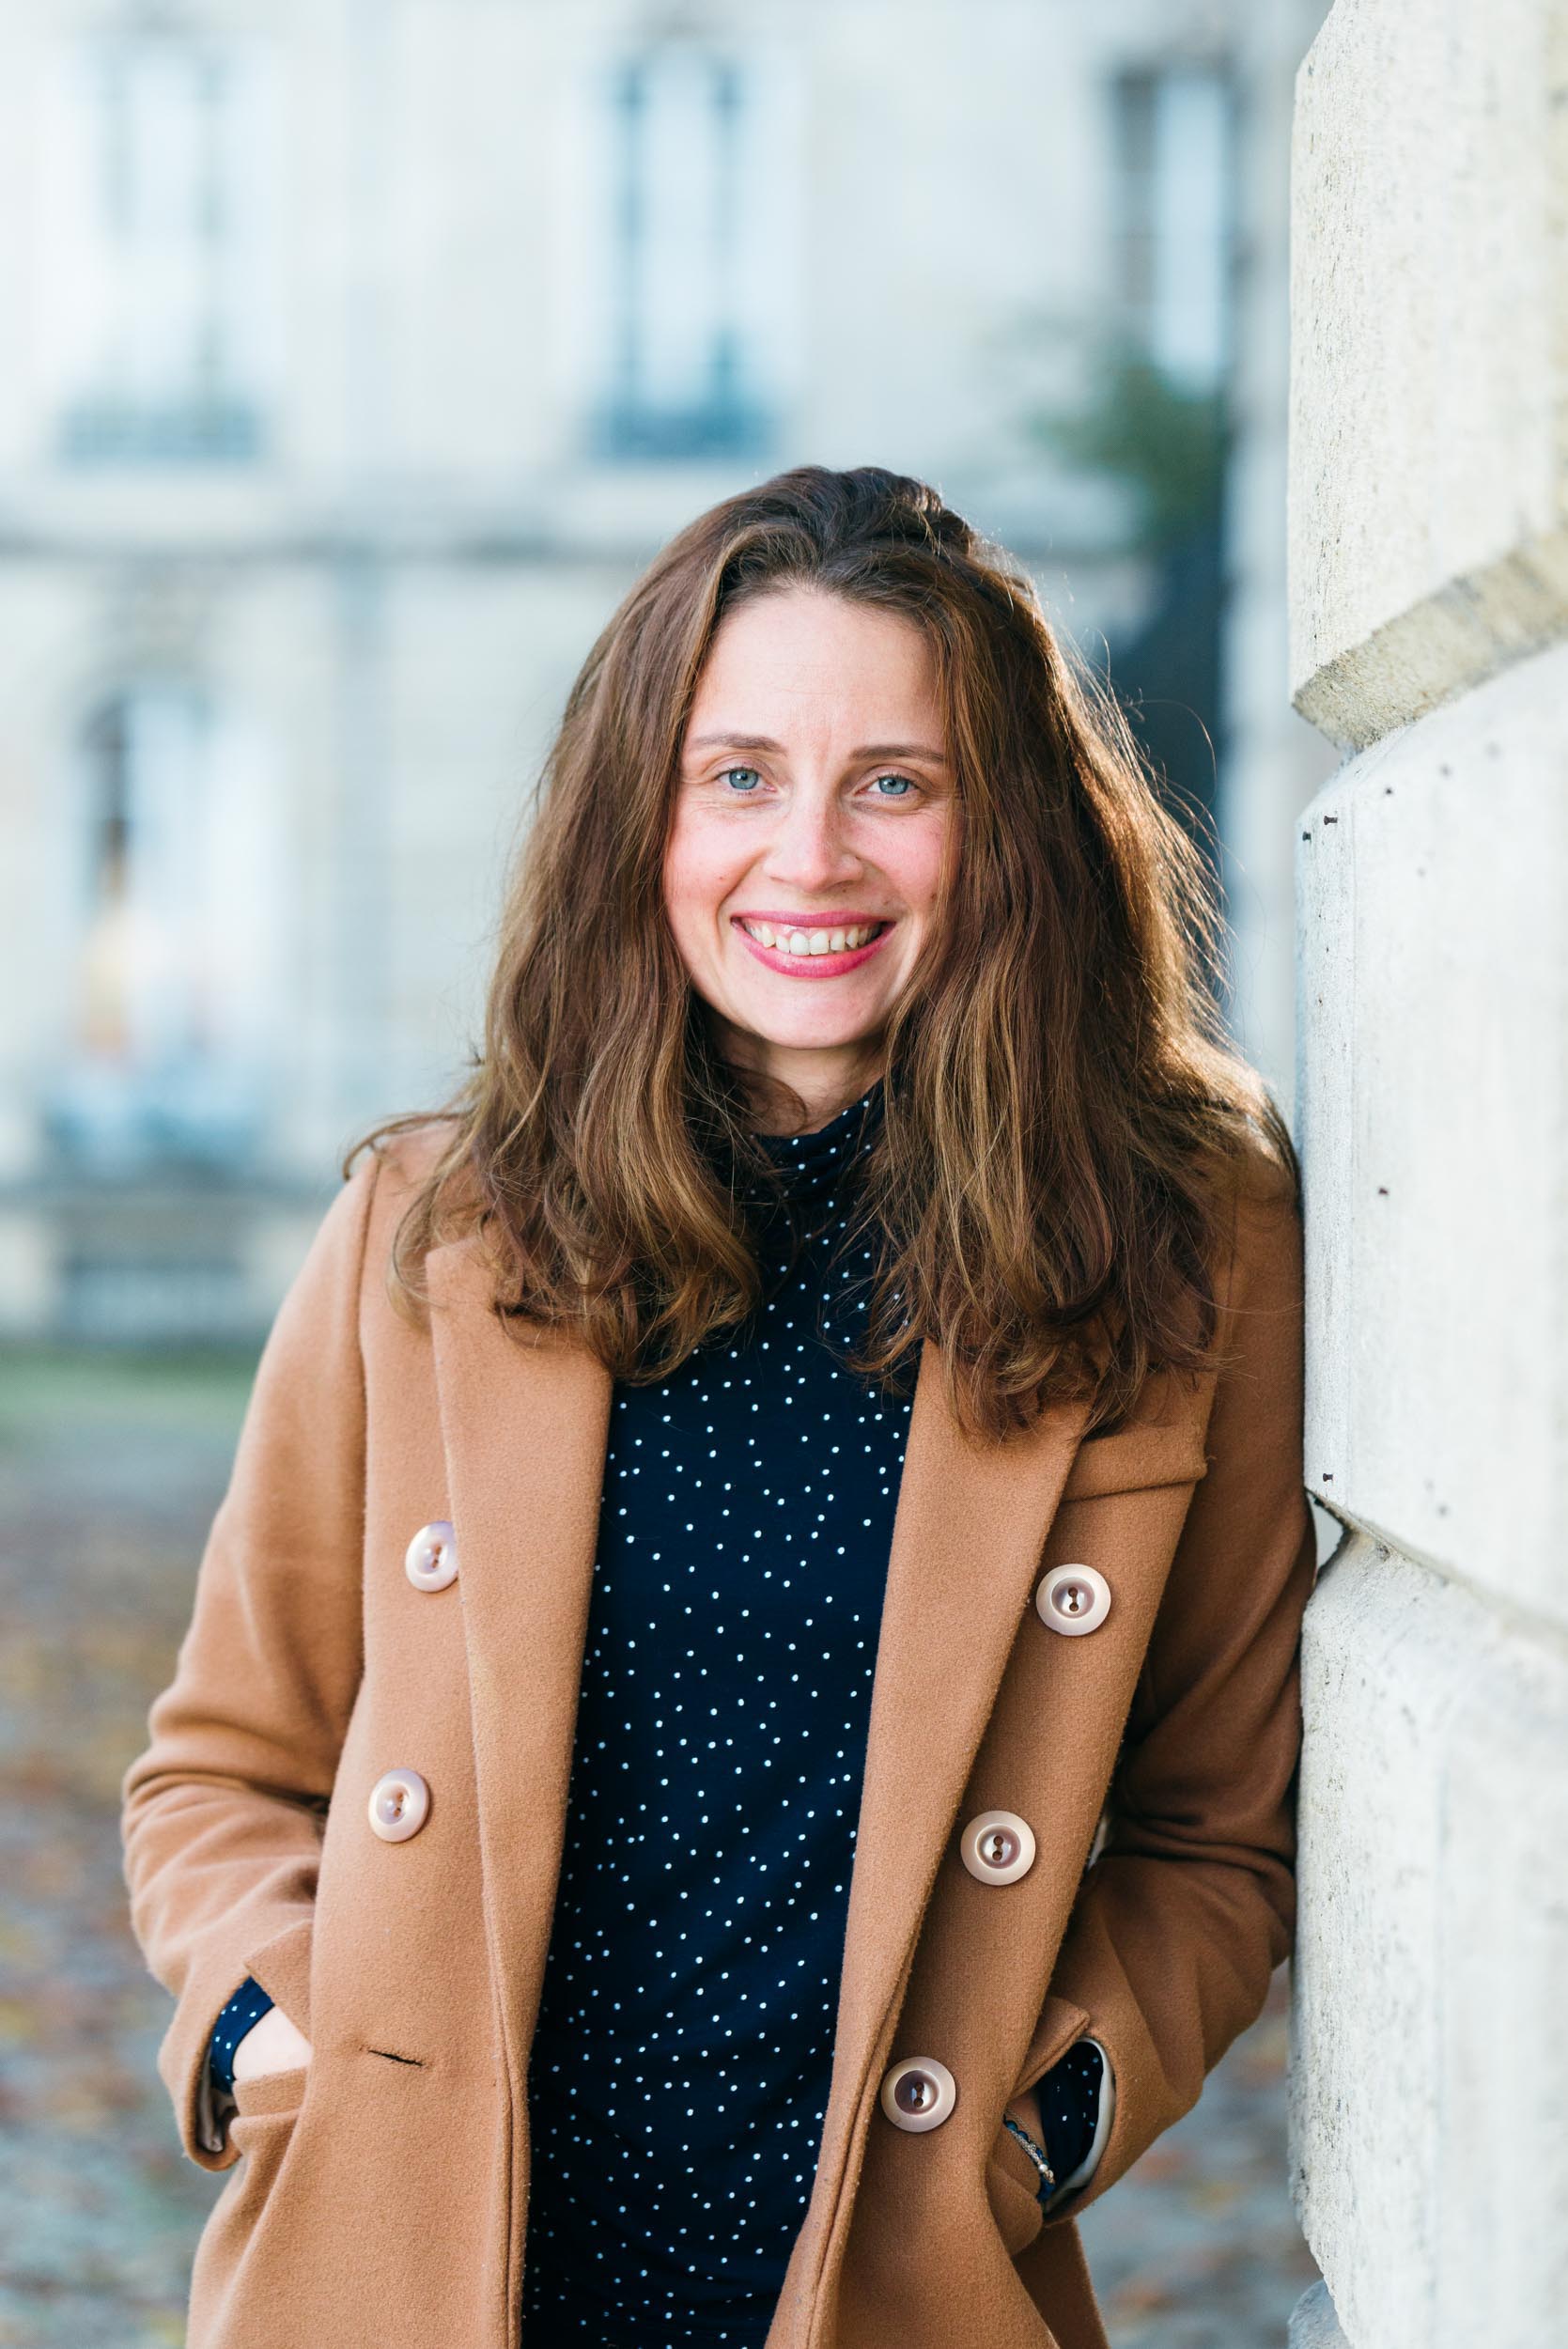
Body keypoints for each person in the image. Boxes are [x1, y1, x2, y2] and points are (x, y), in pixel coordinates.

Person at [121, 464, 1316, 2349]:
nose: (810, 853)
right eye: (737, 773)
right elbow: (222, 1766)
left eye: (893, 781)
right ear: (637, 818)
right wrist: (284, 2031)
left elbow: (1214, 1829)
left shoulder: (1182, 1233)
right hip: (416, 2272)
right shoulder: (430, 1227)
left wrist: (1041, 2111)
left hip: (890, 2281)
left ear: (1000, 825)